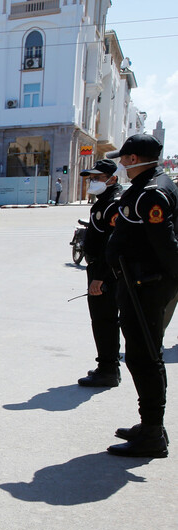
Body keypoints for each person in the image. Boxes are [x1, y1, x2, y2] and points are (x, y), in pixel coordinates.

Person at [104, 134, 178, 458]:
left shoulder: (152, 194)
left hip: (147, 287)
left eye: (124, 158)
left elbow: (167, 247)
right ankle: (150, 424)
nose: (120, 163)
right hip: (140, 285)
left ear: (134, 159)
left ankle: (152, 433)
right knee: (144, 355)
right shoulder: (152, 185)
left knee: (144, 356)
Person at [77, 159, 124, 388]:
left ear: (112, 179)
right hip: (99, 268)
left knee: (104, 320)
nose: (93, 181)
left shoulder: (113, 204)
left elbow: (112, 244)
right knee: (102, 320)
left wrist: (101, 276)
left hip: (105, 272)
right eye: (92, 178)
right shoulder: (104, 201)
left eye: (98, 177)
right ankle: (107, 366)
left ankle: (108, 370)